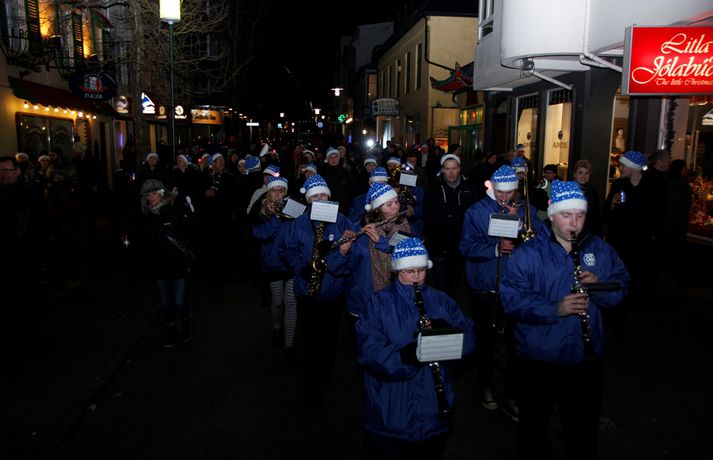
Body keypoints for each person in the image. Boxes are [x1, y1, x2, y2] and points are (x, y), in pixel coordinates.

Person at [500, 180, 629, 460]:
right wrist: (554, 309)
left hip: (585, 357)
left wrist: (599, 286)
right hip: (539, 358)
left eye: (580, 215)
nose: (574, 223)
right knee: (534, 431)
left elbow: (621, 288)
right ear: (552, 213)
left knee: (582, 433)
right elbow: (511, 301)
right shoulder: (529, 253)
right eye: (567, 215)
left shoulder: (600, 249)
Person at [355, 237, 476, 460]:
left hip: (432, 412)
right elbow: (369, 351)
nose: (416, 277)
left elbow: (470, 337)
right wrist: (408, 355)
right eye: (409, 271)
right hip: (392, 411)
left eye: (421, 270)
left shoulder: (441, 301)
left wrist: (445, 334)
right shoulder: (378, 303)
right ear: (397, 271)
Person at [459, 164, 546, 420]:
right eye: (500, 193)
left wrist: (519, 223)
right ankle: (485, 386)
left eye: (509, 193)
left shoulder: (526, 209)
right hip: (485, 284)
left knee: (516, 343)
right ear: (492, 188)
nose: (505, 197)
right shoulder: (476, 211)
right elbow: (466, 246)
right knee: (486, 340)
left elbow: (542, 238)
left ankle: (511, 395)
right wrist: (495, 249)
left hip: (517, 286)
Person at [282, 174, 355, 409]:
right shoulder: (299, 223)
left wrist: (341, 253)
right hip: (307, 293)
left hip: (333, 292)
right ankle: (311, 387)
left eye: (324, 195)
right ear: (308, 200)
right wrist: (300, 268)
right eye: (315, 196)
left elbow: (350, 259)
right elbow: (288, 250)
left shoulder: (341, 220)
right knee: (311, 340)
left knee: (329, 337)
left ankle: (326, 373)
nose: (320, 199)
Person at [139, 179, 197, 348]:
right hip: (160, 267)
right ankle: (171, 331)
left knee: (179, 301)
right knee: (165, 304)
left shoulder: (174, 211)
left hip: (178, 264)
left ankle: (186, 324)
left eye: (154, 193)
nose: (151, 197)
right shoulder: (146, 217)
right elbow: (145, 243)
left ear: (161, 194)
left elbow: (189, 232)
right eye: (148, 194)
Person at [251, 175, 298, 360]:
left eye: (281, 191)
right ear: (268, 192)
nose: (277, 194)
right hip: (273, 263)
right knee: (277, 302)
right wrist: (274, 217)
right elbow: (262, 235)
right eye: (274, 191)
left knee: (291, 302)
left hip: (291, 263)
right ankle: (277, 328)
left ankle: (289, 344)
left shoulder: (293, 208)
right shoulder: (261, 210)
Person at [424, 153, 476, 297]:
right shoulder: (434, 188)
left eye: (454, 168)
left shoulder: (469, 188)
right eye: (447, 169)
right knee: (441, 283)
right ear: (443, 170)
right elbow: (427, 217)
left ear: (459, 168)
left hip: (461, 244)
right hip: (439, 245)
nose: (451, 173)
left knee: (455, 281)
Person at [572, 159, 603, 236]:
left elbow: (596, 216)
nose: (583, 176)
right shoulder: (567, 190)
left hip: (588, 234)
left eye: (586, 173)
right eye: (580, 173)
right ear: (575, 174)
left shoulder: (593, 191)